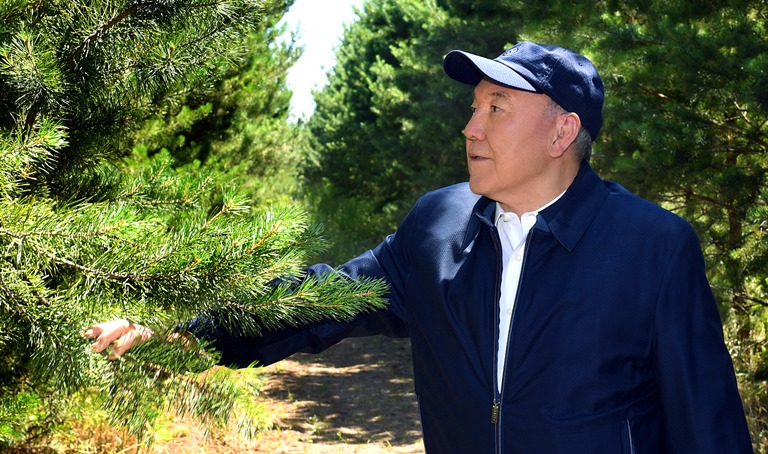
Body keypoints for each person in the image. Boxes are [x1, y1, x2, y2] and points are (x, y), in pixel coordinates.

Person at [86, 41, 754, 453]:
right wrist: (188, 334)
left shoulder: (652, 247)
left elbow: (708, 424)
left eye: (497, 107)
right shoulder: (439, 225)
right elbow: (319, 300)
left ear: (561, 133)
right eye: (473, 107)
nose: (471, 127)